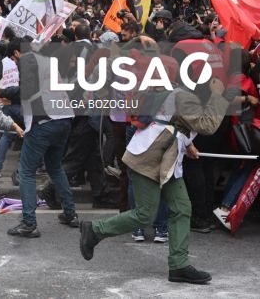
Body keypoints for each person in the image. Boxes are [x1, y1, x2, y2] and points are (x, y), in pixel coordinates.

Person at [79, 76, 234, 284]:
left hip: (164, 160)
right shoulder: (184, 97)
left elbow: (172, 123)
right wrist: (218, 96)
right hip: (148, 159)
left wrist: (187, 145)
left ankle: (179, 265)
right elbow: (207, 125)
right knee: (145, 215)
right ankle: (95, 230)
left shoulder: (178, 94)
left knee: (181, 208)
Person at [0, 38, 79, 238]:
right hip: (63, 119)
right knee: (55, 168)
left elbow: (27, 90)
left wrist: (0, 92)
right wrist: (11, 96)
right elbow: (33, 91)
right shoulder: (46, 59)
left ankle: (29, 223)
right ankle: (70, 213)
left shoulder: (28, 59)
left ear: (16, 53)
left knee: (26, 172)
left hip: (44, 121)